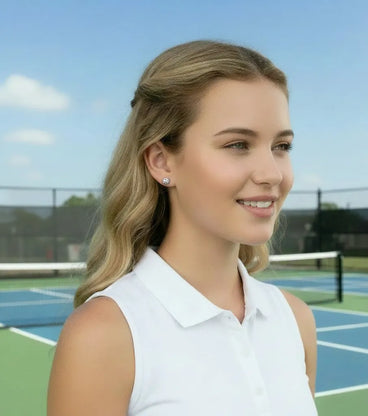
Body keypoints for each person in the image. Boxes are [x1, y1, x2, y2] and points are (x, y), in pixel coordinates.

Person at [47, 40, 317, 416]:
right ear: (161, 162)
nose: (272, 173)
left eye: (281, 145)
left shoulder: (295, 319)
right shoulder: (103, 335)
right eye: (238, 144)